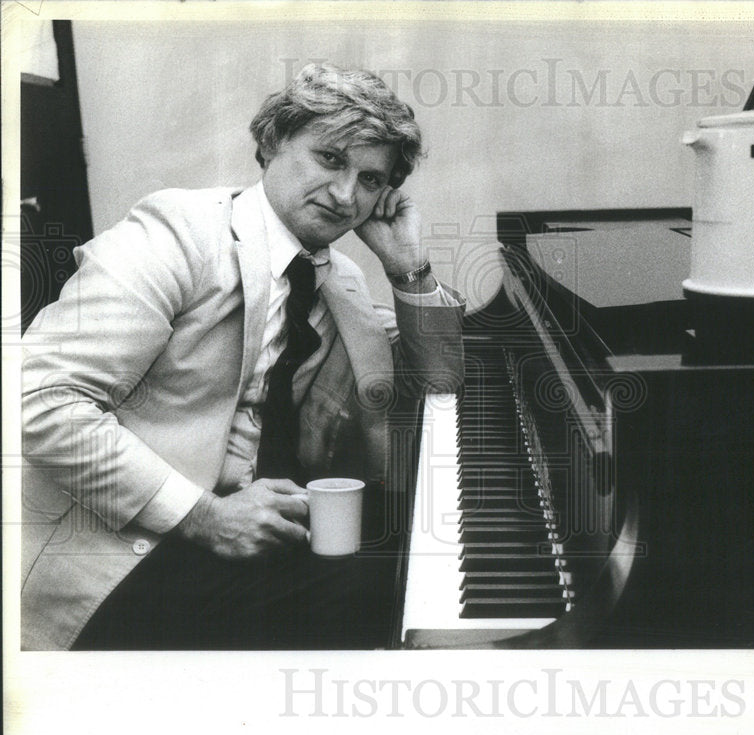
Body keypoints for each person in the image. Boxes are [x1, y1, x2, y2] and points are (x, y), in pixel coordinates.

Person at [20, 64, 465, 650]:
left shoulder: (340, 282)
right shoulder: (175, 233)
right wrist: (206, 516)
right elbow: (37, 401)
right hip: (124, 555)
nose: (345, 196)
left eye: (370, 180)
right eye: (330, 159)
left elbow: (440, 374)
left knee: (420, 547)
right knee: (382, 596)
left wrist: (407, 265)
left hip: (252, 528)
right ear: (273, 141)